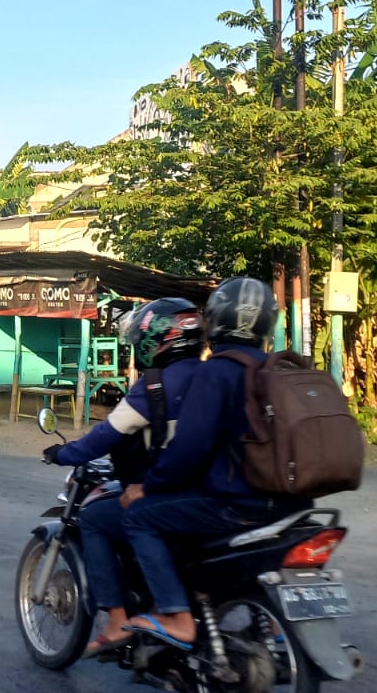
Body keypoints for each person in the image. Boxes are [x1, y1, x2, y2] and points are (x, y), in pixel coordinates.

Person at [107, 277, 306, 649]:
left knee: (139, 516)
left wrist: (147, 487)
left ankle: (176, 615)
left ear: (216, 321)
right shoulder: (283, 369)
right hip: (294, 504)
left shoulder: (216, 371)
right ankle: (273, 623)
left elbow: (189, 447)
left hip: (237, 505)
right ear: (268, 324)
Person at [40, 298, 205, 656]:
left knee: (96, 518)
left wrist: (64, 453)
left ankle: (116, 620)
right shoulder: (212, 375)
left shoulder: (154, 385)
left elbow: (107, 435)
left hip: (171, 492)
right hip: (210, 490)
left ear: (154, 339)